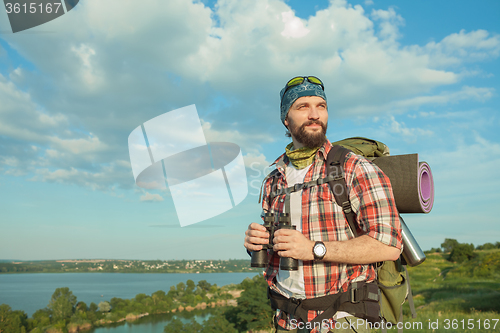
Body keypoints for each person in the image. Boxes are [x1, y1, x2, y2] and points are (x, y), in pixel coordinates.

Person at [244, 76, 402, 333]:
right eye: (303, 106)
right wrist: (256, 244)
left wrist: (314, 249)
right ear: (286, 118)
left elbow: (389, 246)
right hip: (286, 320)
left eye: (321, 106)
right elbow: (277, 253)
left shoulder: (354, 168)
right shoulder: (273, 181)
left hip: (341, 320)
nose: (315, 114)